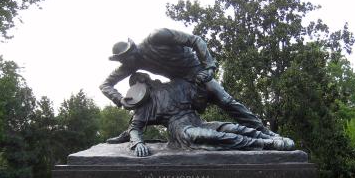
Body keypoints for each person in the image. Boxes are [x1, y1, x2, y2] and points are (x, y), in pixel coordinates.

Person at [100, 28, 279, 142]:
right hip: (179, 84)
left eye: (126, 58)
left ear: (133, 49)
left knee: (226, 101)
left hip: (197, 74)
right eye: (123, 61)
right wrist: (121, 100)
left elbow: (196, 41)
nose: (126, 64)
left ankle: (265, 131)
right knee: (151, 102)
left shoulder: (157, 37)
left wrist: (209, 67)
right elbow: (105, 85)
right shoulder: (132, 63)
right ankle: (132, 132)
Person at [123, 73, 294, 157]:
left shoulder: (177, 85)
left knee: (233, 127)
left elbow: (199, 105)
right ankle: (267, 144)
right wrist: (138, 143)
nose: (145, 81)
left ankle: (273, 138)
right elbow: (135, 127)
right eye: (139, 82)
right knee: (213, 136)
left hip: (198, 120)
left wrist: (199, 86)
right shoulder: (148, 104)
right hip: (181, 129)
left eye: (143, 78)